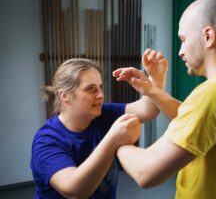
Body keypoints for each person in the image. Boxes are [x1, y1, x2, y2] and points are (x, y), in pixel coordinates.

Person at [112, 0, 216, 198]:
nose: (180, 51)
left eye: (183, 39)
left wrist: (115, 140)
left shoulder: (215, 92)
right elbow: (206, 121)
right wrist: (153, 90)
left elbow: (145, 172)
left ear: (207, 36)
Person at [30, 58, 164, 199]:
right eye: (91, 89)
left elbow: (148, 110)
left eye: (100, 87)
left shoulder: (102, 114)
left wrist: (156, 79)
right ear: (65, 96)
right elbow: (74, 191)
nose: (100, 95)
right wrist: (112, 140)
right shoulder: (46, 140)